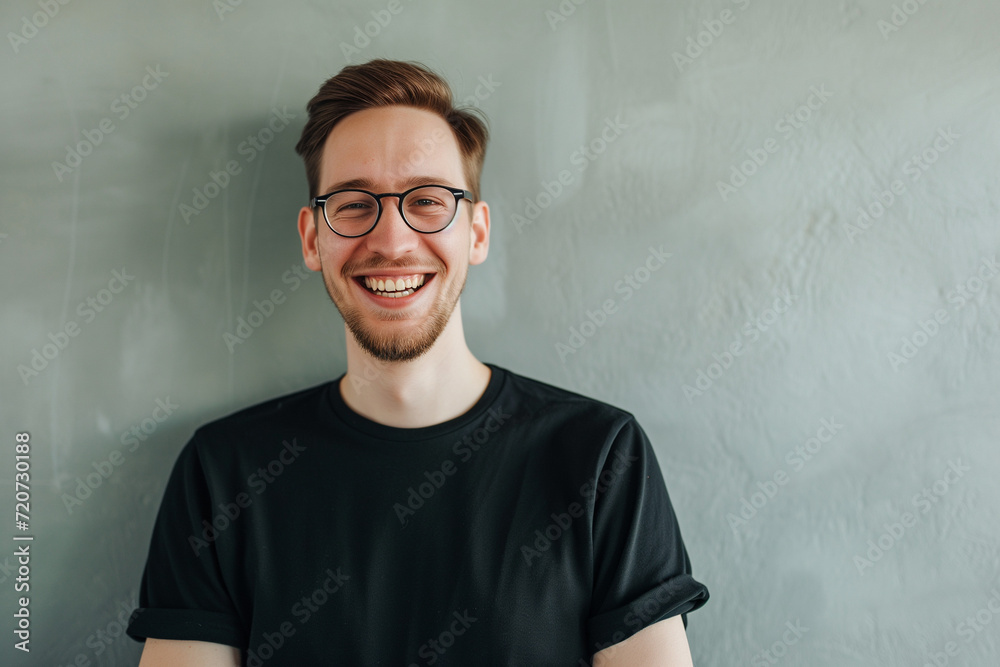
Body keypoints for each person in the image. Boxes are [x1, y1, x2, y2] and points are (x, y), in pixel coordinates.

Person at [126, 58, 709, 666]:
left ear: (477, 234)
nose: (393, 240)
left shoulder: (601, 458)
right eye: (354, 204)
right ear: (311, 239)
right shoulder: (221, 474)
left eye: (428, 200)